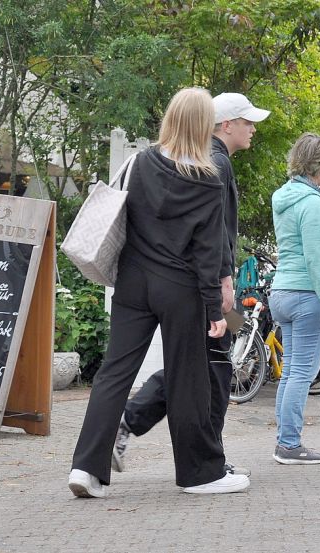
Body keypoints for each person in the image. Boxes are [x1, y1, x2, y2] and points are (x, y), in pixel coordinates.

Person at [68, 87, 248, 498]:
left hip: (132, 283)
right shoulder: (208, 178)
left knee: (114, 373)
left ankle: (85, 469)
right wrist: (215, 311)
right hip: (180, 288)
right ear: (206, 125)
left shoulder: (140, 161)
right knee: (189, 380)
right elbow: (208, 252)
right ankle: (200, 475)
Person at [111, 92, 270, 477]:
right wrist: (223, 284)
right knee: (209, 367)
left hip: (204, 286)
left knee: (213, 363)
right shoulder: (215, 163)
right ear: (226, 124)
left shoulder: (214, 160)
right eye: (247, 122)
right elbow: (211, 236)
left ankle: (156, 433)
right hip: (205, 288)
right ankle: (199, 457)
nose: (253, 129)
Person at [269, 132, 320, 464]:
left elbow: (297, 242)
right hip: (306, 294)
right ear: (318, 165)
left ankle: (284, 440)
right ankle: (289, 444)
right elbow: (315, 259)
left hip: (282, 290)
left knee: (290, 372)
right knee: (301, 373)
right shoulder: (311, 202)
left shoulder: (285, 196)